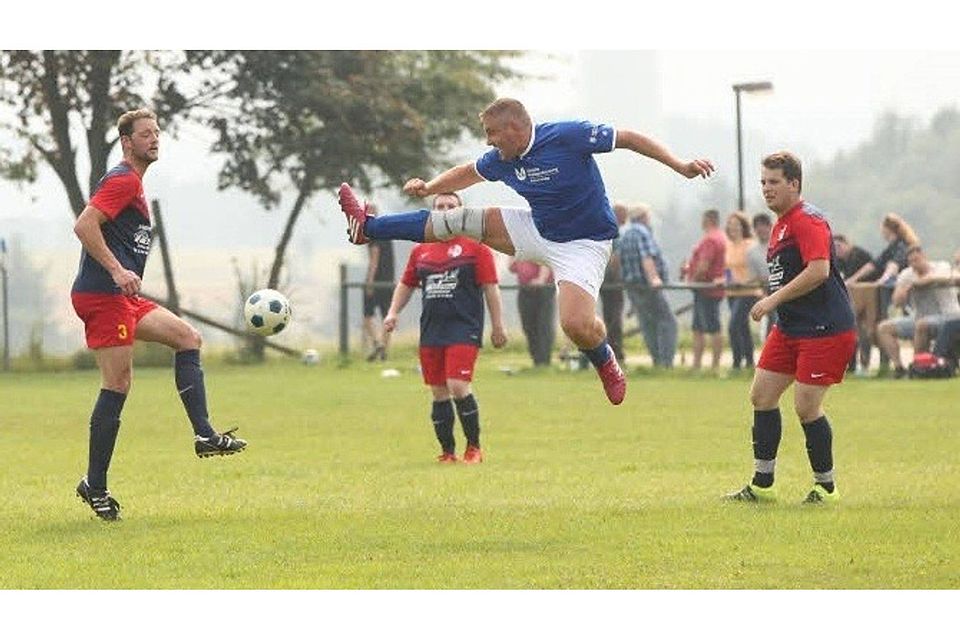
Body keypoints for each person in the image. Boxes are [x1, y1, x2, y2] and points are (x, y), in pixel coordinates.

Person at [338, 97, 714, 405]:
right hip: (536, 227)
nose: (488, 142)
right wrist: (429, 187)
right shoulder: (502, 158)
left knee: (575, 325)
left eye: (491, 133)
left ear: (514, 128)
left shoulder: (568, 136)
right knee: (457, 219)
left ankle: (606, 360)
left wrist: (680, 165)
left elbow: (629, 137)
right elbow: (467, 172)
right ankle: (368, 227)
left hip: (583, 244)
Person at [70, 109, 246, 521]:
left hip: (121, 297)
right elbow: (83, 225)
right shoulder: (123, 179)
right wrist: (116, 269)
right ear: (126, 142)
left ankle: (204, 435)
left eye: (156, 133)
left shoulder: (134, 183)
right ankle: (95, 484)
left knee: (188, 338)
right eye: (145, 134)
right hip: (102, 295)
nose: (154, 139)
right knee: (118, 383)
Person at [726, 151, 856, 505]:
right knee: (762, 396)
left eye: (774, 182)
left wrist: (771, 300)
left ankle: (826, 488)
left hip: (824, 327)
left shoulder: (806, 220)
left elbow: (819, 270)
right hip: (791, 328)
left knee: (806, 406)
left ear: (794, 184)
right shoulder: (781, 223)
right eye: (763, 182)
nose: (766, 189)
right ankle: (763, 484)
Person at [383, 192, 507, 463]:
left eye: (451, 206)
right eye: (440, 207)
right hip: (432, 330)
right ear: (433, 213)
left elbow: (491, 289)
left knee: (458, 385)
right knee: (439, 391)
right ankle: (448, 452)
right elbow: (406, 285)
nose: (446, 210)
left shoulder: (477, 248)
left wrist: (498, 326)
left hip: (464, 328)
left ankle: (474, 448)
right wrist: (392, 312)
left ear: (461, 212)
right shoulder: (421, 250)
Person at [875, 245, 960, 378]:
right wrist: (905, 290)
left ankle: (918, 367)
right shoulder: (907, 274)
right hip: (920, 316)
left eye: (917, 260)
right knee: (884, 328)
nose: (915, 264)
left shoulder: (941, 267)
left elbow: (955, 278)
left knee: (922, 325)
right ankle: (899, 368)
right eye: (911, 262)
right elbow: (896, 302)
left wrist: (927, 281)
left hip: (948, 316)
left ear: (924, 257)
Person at [617, 204, 677, 367]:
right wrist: (654, 279)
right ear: (644, 217)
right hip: (647, 287)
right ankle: (666, 362)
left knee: (647, 323)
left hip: (632, 287)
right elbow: (646, 257)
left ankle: (656, 360)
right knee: (667, 322)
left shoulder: (624, 234)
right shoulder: (642, 232)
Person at [683, 209, 726, 372]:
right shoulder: (721, 237)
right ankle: (697, 365)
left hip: (706, 290)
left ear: (708, 220)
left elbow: (704, 265)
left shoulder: (710, 239)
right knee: (698, 328)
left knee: (712, 327)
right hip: (708, 289)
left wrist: (693, 280)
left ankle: (713, 366)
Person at [724, 211, 763, 370]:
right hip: (732, 292)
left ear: (743, 227)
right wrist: (726, 280)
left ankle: (736, 361)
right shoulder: (728, 246)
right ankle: (748, 362)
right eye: (731, 225)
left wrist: (743, 282)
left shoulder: (750, 245)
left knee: (733, 326)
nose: (733, 228)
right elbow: (727, 268)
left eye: (736, 225)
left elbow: (757, 270)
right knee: (742, 327)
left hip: (748, 291)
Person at [834, 234, 878, 373]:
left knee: (866, 331)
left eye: (839, 246)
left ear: (847, 244)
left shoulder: (859, 254)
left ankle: (864, 364)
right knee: (851, 330)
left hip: (869, 297)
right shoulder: (840, 261)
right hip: (852, 300)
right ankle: (851, 366)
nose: (838, 250)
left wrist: (852, 280)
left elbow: (872, 268)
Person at [361, 204, 395, 362]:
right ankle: (383, 349)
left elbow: (374, 259)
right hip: (388, 280)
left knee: (367, 316)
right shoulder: (386, 232)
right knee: (387, 317)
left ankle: (377, 344)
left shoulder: (373, 234)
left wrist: (369, 281)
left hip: (376, 281)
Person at [508, 258, 556, 367]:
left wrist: (541, 279)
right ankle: (536, 360)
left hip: (543, 288)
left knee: (543, 325)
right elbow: (512, 268)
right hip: (525, 288)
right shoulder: (518, 246)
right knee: (528, 325)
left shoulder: (535, 242)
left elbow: (545, 260)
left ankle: (544, 361)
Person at [599, 203, 628, 361]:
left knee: (609, 315)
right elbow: (615, 258)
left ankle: (610, 350)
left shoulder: (604, 227)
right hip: (612, 281)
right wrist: (615, 276)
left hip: (603, 280)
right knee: (615, 317)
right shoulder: (616, 231)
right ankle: (616, 352)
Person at [748, 213, 776, 337]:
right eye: (758, 228)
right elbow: (754, 277)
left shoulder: (778, 245)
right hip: (764, 289)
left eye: (764, 227)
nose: (761, 230)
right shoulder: (752, 253)